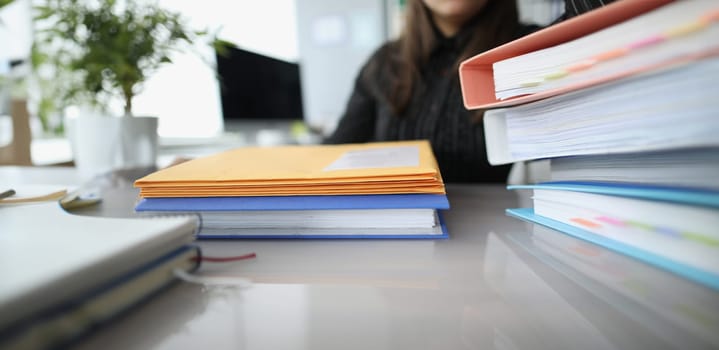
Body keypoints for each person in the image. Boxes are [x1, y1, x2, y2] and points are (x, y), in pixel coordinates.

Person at [323, 0, 611, 183]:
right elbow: (330, 157)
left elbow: (596, 19)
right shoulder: (384, 62)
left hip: (489, 242)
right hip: (389, 238)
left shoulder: (525, 50)